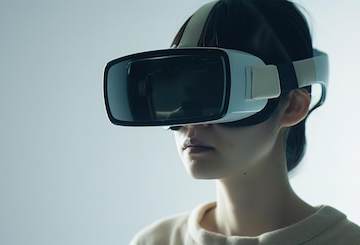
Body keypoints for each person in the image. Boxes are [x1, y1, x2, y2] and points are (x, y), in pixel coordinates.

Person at [102, 0, 360, 244]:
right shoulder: (155, 241)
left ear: (292, 106)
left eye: (216, 92)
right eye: (176, 98)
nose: (192, 123)